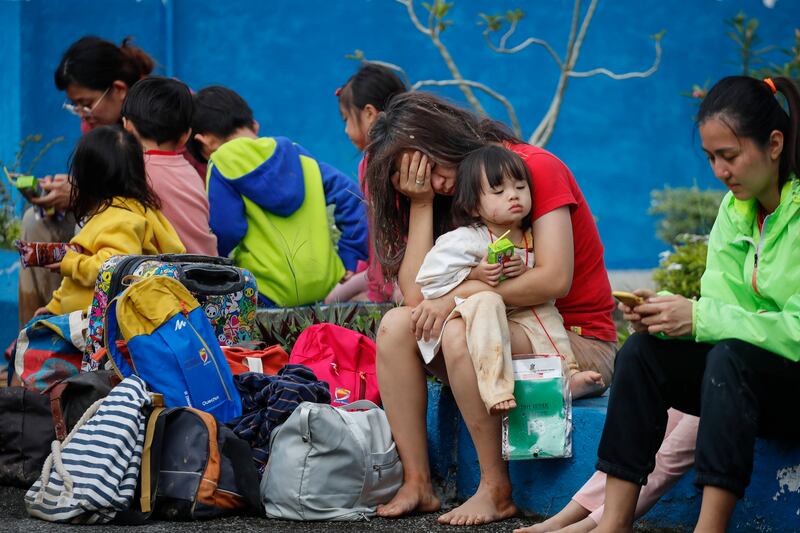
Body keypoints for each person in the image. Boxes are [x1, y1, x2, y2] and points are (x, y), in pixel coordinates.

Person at [363, 92, 617, 525]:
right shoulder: (450, 196)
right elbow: (416, 298)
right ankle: (418, 482)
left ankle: (496, 489)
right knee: (394, 326)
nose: (437, 183)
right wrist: (422, 204)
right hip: (507, 331)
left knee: (463, 326)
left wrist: (455, 297)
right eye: (417, 177)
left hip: (573, 342)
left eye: (433, 168)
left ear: (445, 139)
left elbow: (554, 279)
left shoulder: (527, 171)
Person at [587, 76, 800, 533]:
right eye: (711, 158)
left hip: (788, 382)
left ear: (775, 143)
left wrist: (700, 317)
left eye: (730, 155)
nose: (720, 170)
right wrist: (667, 318)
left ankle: (710, 528)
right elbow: (724, 311)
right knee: (642, 354)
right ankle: (615, 523)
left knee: (730, 358)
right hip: (754, 380)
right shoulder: (735, 209)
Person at [415, 145, 604, 413]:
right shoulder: (466, 240)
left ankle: (566, 374)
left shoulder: (530, 235)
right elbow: (430, 278)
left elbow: (545, 284)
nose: (513, 196)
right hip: (482, 312)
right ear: (472, 206)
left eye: (520, 187)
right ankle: (496, 388)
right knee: (487, 307)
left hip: (520, 312)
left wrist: (525, 272)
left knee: (546, 315)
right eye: (498, 191)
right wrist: (474, 274)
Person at [188, 86, 368, 307]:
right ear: (253, 125)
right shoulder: (298, 153)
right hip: (323, 284)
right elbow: (351, 196)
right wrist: (350, 254)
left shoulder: (220, 161)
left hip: (264, 292)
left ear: (204, 141)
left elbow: (227, 229)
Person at [19, 36, 156, 326]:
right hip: (109, 225)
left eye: (86, 105)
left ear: (118, 90)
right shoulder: (100, 125)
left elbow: (139, 202)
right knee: (35, 221)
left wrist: (80, 194)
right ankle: (33, 336)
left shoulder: (155, 118)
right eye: (76, 107)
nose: (83, 116)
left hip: (143, 248)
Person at [38, 126, 184, 316]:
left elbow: (113, 268)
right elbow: (75, 282)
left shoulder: (122, 219)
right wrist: (54, 307)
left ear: (87, 178)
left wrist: (71, 263)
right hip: (83, 321)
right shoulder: (124, 211)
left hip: (101, 331)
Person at [326, 62, 406, 304]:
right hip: (380, 268)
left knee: (339, 304)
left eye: (346, 119)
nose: (346, 130)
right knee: (332, 300)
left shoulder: (381, 160)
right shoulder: (379, 158)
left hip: (399, 272)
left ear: (370, 114)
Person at [121, 76, 218, 256]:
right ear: (186, 136)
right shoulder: (190, 172)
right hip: (209, 270)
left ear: (126, 125)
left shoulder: (131, 172)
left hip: (169, 278)